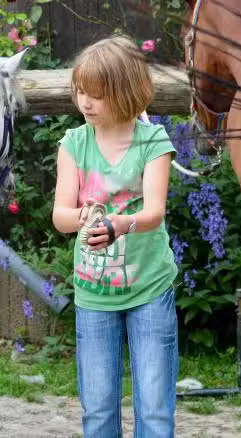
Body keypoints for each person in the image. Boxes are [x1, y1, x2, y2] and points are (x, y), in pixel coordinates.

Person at [51, 34, 179, 438]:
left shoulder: (153, 143)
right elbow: (60, 216)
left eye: (96, 96)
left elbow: (154, 213)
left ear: (125, 94)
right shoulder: (73, 144)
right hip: (94, 295)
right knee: (99, 412)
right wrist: (83, 215)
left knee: (155, 412)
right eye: (80, 93)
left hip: (149, 290)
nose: (85, 103)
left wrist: (120, 224)